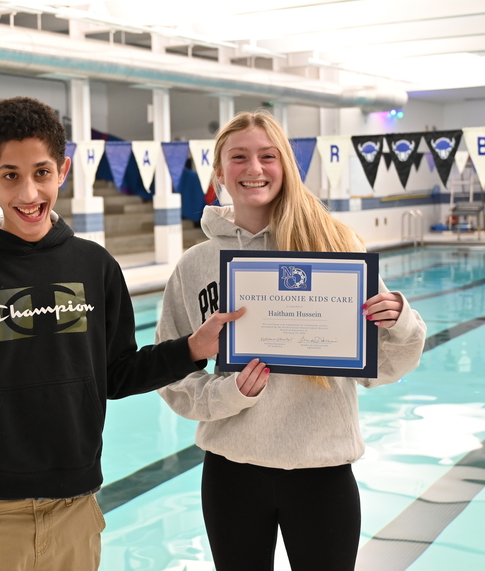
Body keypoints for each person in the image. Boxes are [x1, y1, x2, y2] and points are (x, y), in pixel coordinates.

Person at [0, 96, 244, 571]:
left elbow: (116, 373)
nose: (29, 193)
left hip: (76, 510)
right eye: (10, 176)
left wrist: (191, 350)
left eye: (41, 172)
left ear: (63, 170)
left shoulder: (94, 266)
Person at [156, 111, 427, 571]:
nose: (254, 168)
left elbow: (383, 369)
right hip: (232, 471)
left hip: (323, 470)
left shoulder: (334, 246)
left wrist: (400, 321)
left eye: (268, 156)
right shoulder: (195, 265)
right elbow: (173, 376)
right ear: (219, 171)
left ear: (285, 165)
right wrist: (231, 393)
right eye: (238, 157)